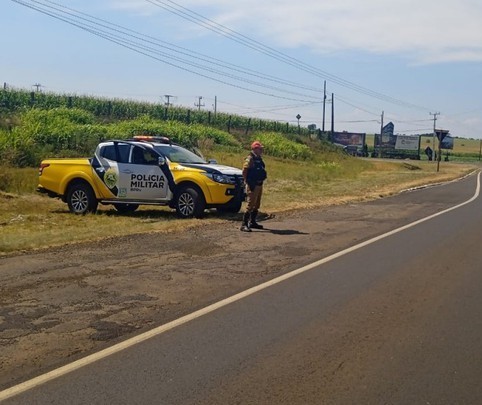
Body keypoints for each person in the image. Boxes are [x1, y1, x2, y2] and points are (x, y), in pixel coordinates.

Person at [240, 141, 267, 232]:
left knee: (257, 204)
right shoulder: (250, 158)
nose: (261, 150)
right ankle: (244, 224)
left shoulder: (259, 159)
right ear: (255, 149)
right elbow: (245, 170)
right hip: (253, 184)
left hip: (259, 184)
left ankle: (252, 222)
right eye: (260, 149)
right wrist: (246, 181)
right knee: (250, 204)